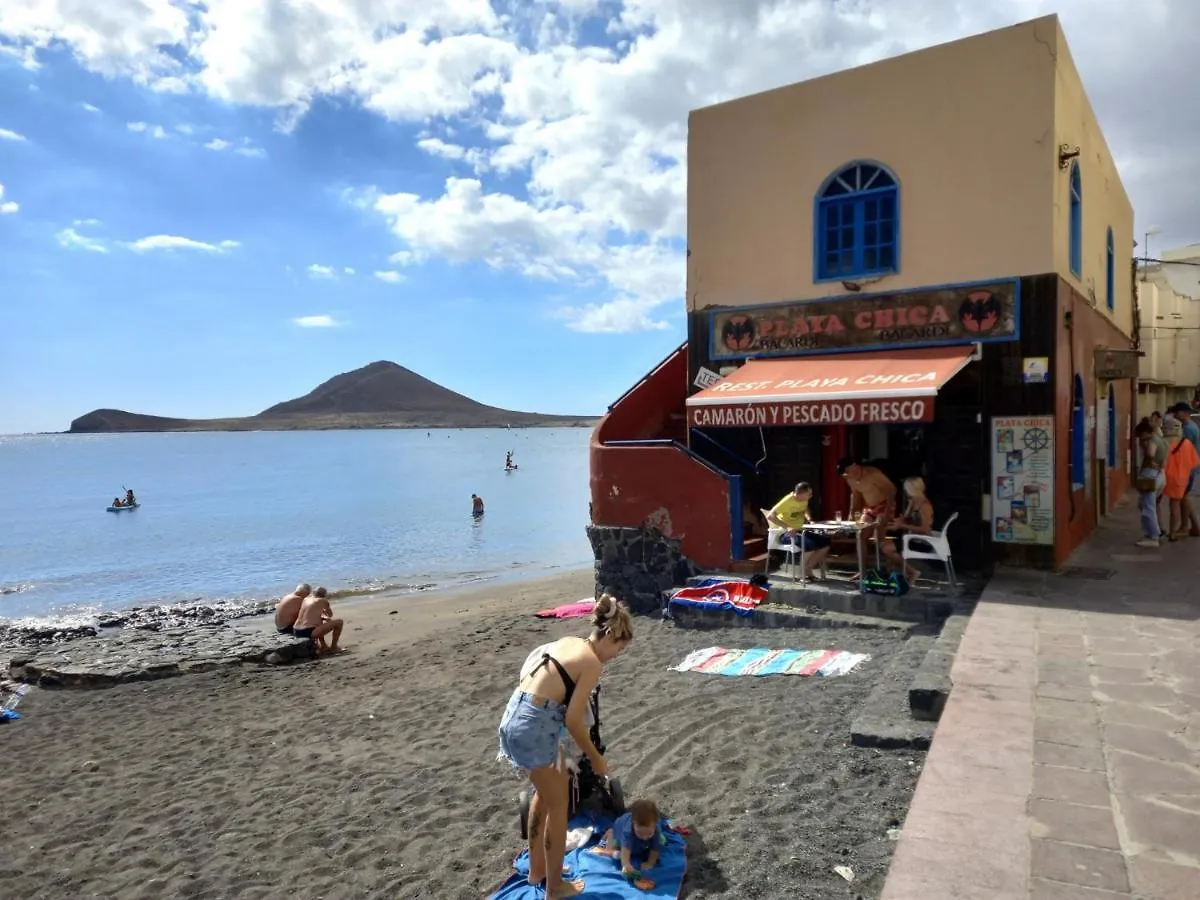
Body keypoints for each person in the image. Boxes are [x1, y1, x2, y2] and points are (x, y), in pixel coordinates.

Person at [497, 594, 633, 898]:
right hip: (534, 727)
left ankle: (537, 871)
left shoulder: (569, 642)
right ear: (610, 635)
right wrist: (597, 759)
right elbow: (573, 721)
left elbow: (533, 672)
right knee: (559, 806)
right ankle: (555, 887)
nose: (615, 656)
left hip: (515, 716)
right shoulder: (591, 662)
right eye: (619, 649)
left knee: (543, 797)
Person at [837, 457, 898, 577]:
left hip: (885, 505)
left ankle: (892, 569)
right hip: (869, 507)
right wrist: (852, 513)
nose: (846, 474)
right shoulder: (849, 478)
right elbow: (855, 495)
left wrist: (886, 513)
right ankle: (863, 571)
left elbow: (892, 490)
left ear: (854, 465)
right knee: (861, 534)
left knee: (879, 537)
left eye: (847, 471)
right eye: (844, 473)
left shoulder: (873, 473)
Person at [765, 482, 831, 580]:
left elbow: (805, 509)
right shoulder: (787, 501)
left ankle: (808, 569)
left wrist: (809, 519)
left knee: (825, 542)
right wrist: (787, 527)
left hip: (801, 530)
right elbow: (770, 516)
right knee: (809, 545)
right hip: (786, 534)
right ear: (801, 493)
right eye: (809, 494)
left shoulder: (804, 500)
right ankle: (802, 574)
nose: (811, 496)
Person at [592, 798, 663, 878]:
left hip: (637, 839)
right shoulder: (627, 831)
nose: (645, 837)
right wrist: (626, 865)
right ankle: (609, 833)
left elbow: (655, 850)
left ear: (655, 825)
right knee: (612, 850)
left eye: (649, 833)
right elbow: (626, 851)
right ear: (633, 823)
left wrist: (650, 863)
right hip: (619, 832)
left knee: (658, 841)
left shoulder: (656, 830)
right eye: (640, 833)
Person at [882, 476, 934, 583]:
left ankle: (912, 571)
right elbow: (904, 519)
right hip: (910, 537)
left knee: (887, 548)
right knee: (883, 541)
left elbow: (924, 529)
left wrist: (902, 526)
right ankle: (895, 573)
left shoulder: (925, 505)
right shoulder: (913, 501)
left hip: (922, 541)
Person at [1162, 417, 1200, 541]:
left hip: (1168, 477)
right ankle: (1176, 531)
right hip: (1183, 477)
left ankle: (1167, 531)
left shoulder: (1165, 444)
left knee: (1170, 505)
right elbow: (1194, 462)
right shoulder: (1186, 443)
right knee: (1177, 503)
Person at [1134, 418, 1167, 548]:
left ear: (1145, 433)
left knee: (1148, 506)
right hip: (1160, 474)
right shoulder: (1161, 439)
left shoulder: (1152, 441)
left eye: (1141, 436)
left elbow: (1150, 453)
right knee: (1144, 504)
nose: (1140, 439)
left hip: (1150, 474)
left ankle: (1153, 536)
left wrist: (1150, 459)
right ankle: (1154, 532)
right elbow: (1165, 458)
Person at [292, 586, 344, 653]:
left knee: (318, 620)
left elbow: (310, 614)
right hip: (308, 631)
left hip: (296, 630)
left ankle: (323, 646)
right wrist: (325, 615)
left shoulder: (306, 599)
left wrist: (323, 616)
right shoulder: (322, 600)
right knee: (339, 622)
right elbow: (330, 614)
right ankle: (334, 647)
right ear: (324, 595)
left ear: (313, 593)